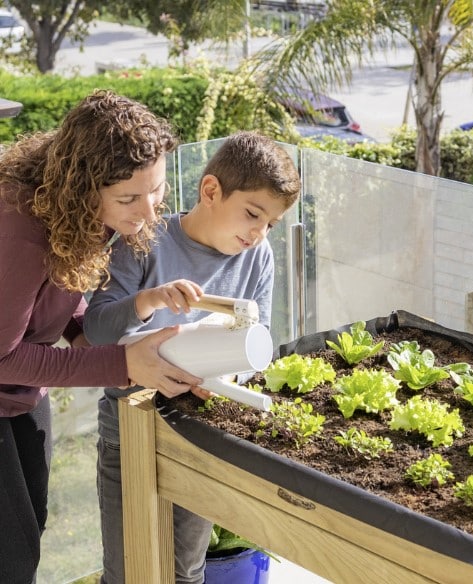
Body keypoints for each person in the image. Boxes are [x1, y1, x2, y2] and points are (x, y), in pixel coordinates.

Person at [0, 89, 205, 584]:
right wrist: (122, 362)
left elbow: (54, 300)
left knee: (26, 542)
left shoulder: (83, 214)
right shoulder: (20, 230)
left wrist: (115, 336)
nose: (150, 212)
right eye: (129, 198)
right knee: (10, 561)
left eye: (155, 190)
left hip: (24, 397)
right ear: (81, 186)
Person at [83, 130, 301, 584]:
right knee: (128, 572)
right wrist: (150, 300)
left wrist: (231, 379)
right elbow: (96, 330)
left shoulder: (257, 256)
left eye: (271, 225)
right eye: (253, 214)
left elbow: (260, 342)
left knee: (186, 571)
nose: (259, 233)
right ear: (210, 191)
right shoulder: (144, 242)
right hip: (129, 432)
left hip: (200, 437)